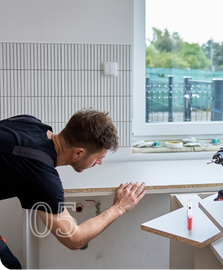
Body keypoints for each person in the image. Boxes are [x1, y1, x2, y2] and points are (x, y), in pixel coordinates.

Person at [0, 109, 146, 269]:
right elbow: (73, 239)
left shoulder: (29, 122)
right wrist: (119, 208)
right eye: (99, 157)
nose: (99, 163)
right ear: (78, 153)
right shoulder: (42, 177)